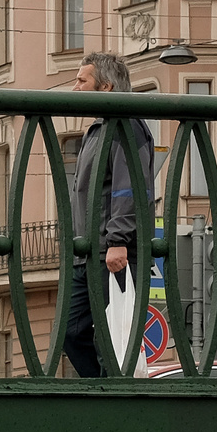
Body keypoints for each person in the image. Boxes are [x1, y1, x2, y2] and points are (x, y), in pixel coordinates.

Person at [61, 51, 154, 378]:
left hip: (111, 252)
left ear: (105, 87)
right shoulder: (97, 129)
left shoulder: (126, 125)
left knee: (111, 339)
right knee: (69, 331)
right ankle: (101, 392)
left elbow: (130, 188)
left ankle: (112, 396)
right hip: (88, 252)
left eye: (81, 81)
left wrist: (119, 241)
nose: (75, 88)